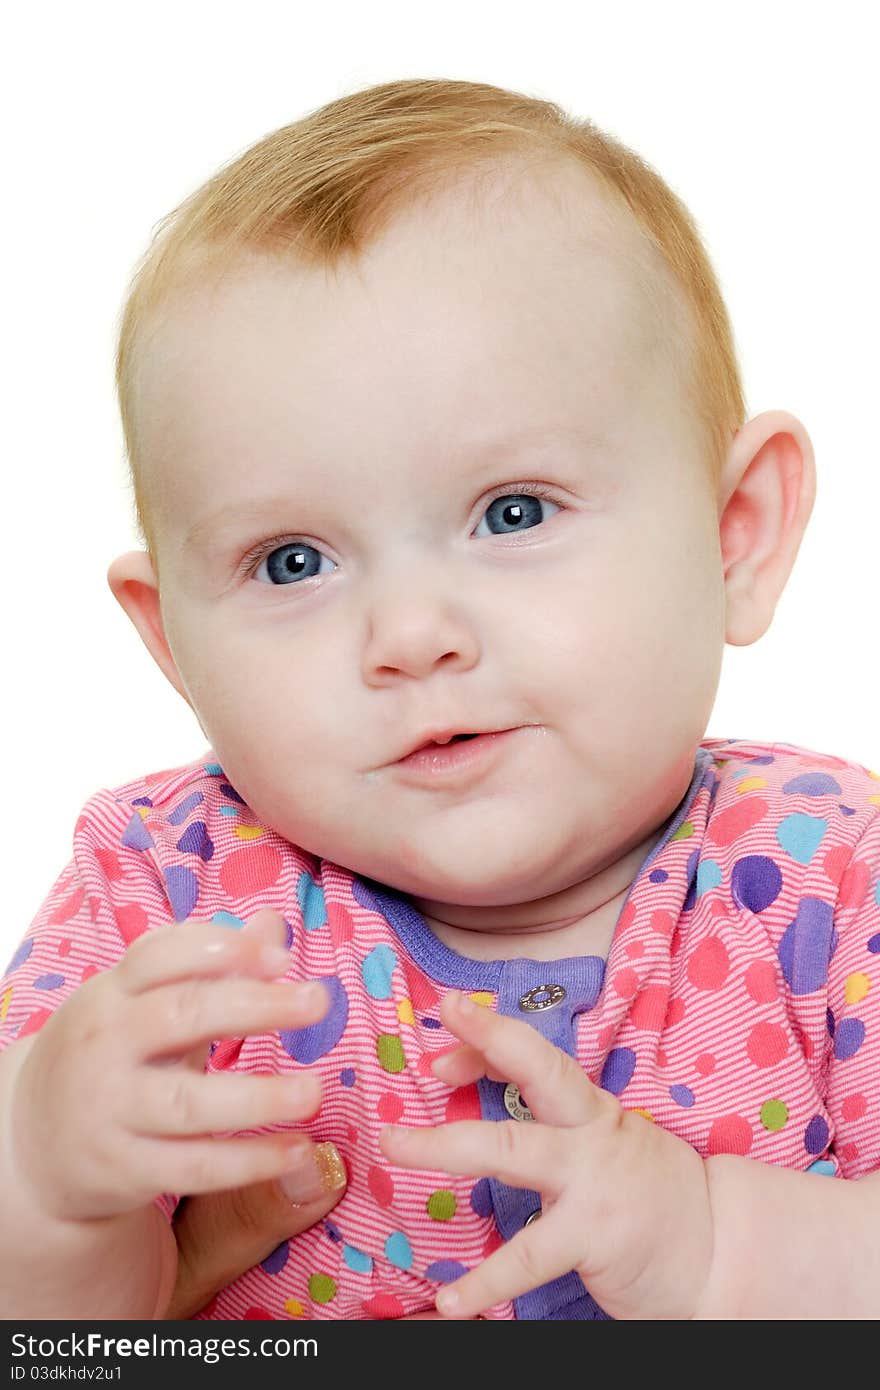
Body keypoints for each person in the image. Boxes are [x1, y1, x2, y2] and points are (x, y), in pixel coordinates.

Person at [1, 74, 879, 1322]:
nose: (409, 637)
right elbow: (69, 1341)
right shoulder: (160, 901)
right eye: (290, 561)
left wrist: (720, 1243)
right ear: (173, 644)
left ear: (734, 533)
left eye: (511, 512)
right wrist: (43, 1191)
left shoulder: (833, 872)